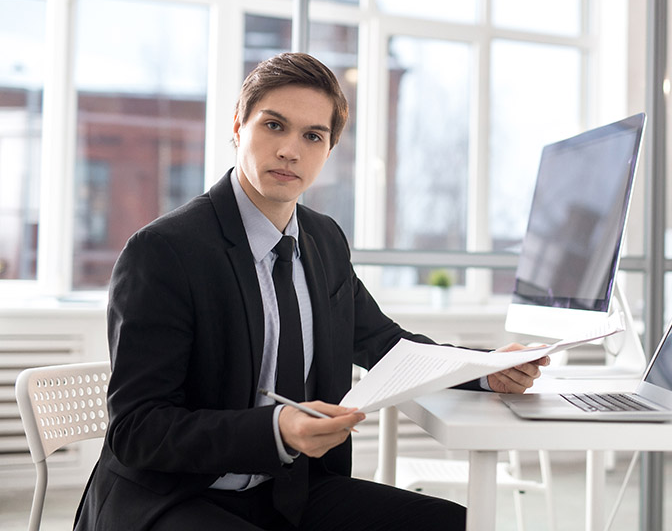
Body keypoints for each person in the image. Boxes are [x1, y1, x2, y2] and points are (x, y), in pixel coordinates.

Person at [74, 52, 548, 531]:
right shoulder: (164, 251)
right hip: (173, 497)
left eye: (312, 136)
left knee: (460, 524)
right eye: (274, 126)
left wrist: (486, 370)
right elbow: (137, 429)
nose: (290, 150)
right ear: (239, 126)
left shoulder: (323, 242)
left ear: (329, 150)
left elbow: (386, 346)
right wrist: (275, 430)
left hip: (287, 492)